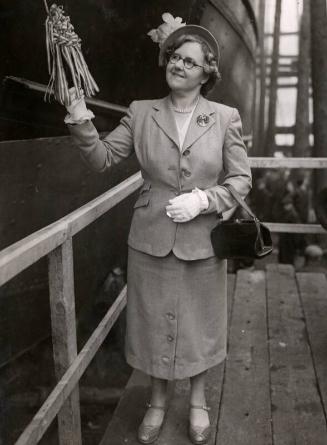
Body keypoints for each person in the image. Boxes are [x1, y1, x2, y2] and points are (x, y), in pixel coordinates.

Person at [62, 13, 252, 444]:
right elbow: (104, 158)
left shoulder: (224, 117)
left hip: (202, 239)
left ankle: (199, 401)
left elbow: (240, 180)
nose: (178, 65)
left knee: (200, 324)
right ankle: (158, 402)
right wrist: (79, 119)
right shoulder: (142, 112)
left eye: (189, 61)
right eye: (174, 57)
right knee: (149, 323)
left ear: (207, 74)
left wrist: (206, 199)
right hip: (150, 237)